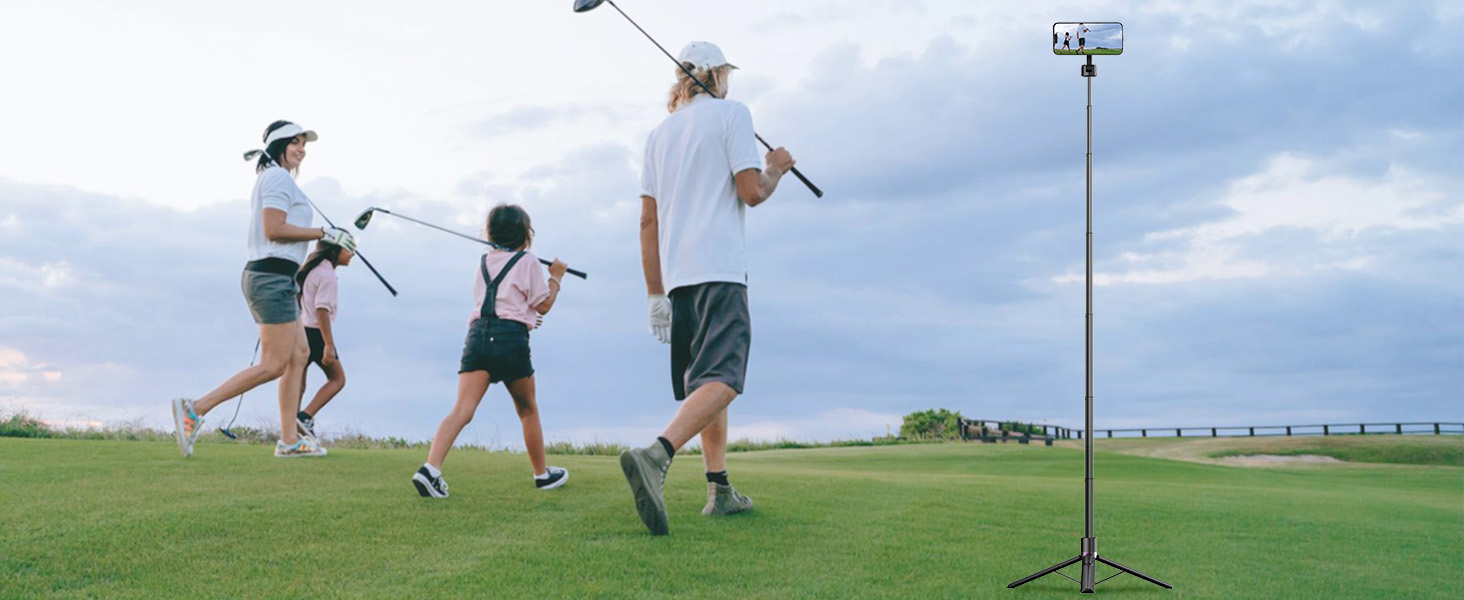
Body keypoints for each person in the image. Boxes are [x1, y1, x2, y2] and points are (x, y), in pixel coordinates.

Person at [619, 41, 796, 536]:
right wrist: (776, 167)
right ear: (716, 76)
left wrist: (655, 294)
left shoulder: (658, 135)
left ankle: (718, 489)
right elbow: (752, 192)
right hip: (720, 269)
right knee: (727, 376)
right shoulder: (731, 113)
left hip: (678, 280)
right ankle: (657, 455)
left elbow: (647, 221)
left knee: (706, 383)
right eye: (726, 76)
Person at [171, 120, 356, 458]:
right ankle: (196, 408)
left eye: (304, 144)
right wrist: (323, 234)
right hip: (269, 276)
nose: (301, 148)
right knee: (273, 363)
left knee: (299, 355)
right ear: (279, 145)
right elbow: (273, 229)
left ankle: (288, 440)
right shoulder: (276, 178)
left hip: (278, 276)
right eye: (295, 142)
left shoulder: (278, 178)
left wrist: (321, 237)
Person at [412, 204, 571, 498]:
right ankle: (541, 474)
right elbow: (544, 304)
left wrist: (523, 315)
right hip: (510, 339)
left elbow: (496, 303)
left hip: (477, 336)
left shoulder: (483, 261)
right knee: (527, 409)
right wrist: (556, 277)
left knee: (461, 409)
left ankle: (430, 469)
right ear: (526, 234)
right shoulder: (528, 261)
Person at [294, 240, 355, 439]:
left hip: (300, 330)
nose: (353, 253)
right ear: (335, 249)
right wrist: (328, 344)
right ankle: (304, 417)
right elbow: (322, 310)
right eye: (349, 249)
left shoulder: (311, 269)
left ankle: (291, 430)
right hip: (316, 334)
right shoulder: (328, 276)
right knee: (337, 379)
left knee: (298, 383)